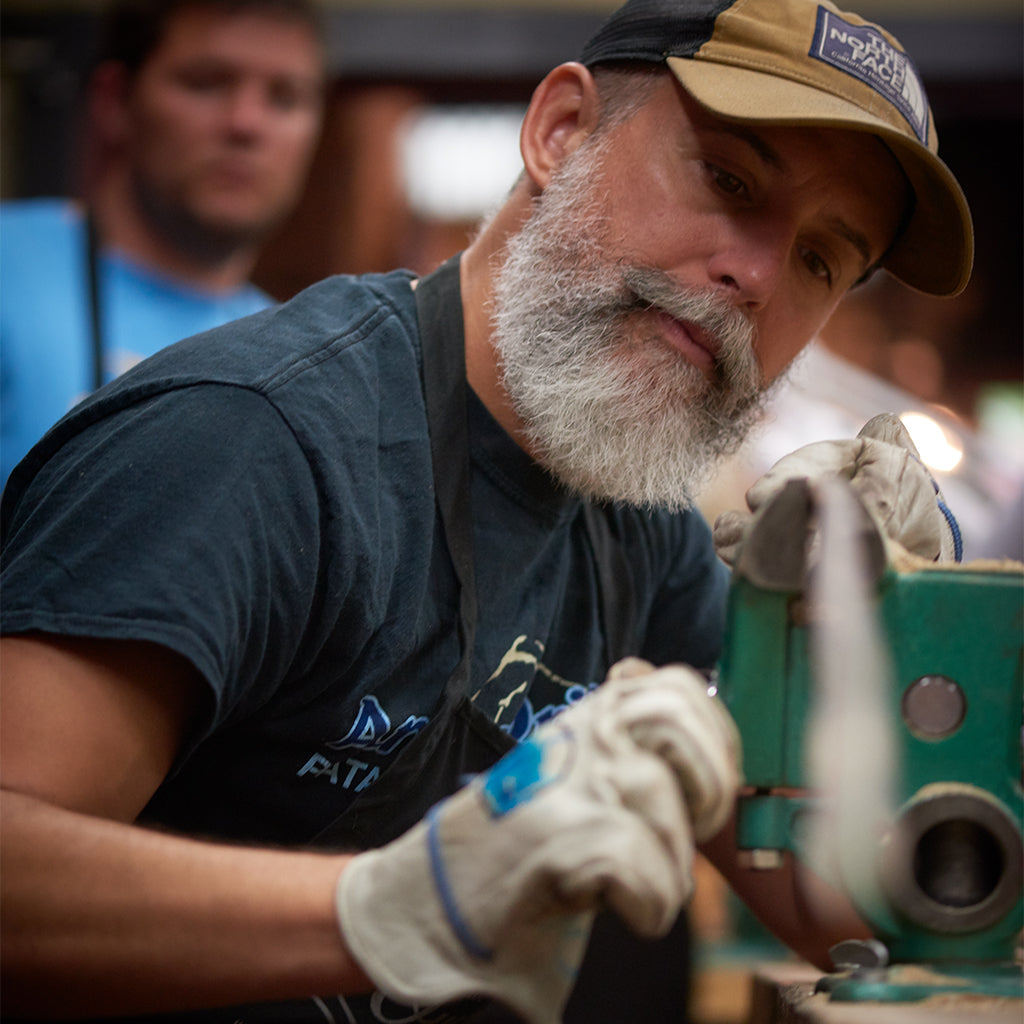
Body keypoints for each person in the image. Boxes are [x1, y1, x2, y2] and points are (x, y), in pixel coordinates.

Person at [0, 0, 972, 1021]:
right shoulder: (256, 445)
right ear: (560, 132)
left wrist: (899, 643)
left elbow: (856, 908)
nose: (758, 276)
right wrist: (385, 911)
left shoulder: (643, 532)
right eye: (727, 178)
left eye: (822, 258)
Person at [0, 0, 326, 487]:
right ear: (114, 100)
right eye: (206, 82)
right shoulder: (11, 267)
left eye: (284, 97)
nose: (246, 123)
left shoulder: (302, 361)